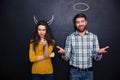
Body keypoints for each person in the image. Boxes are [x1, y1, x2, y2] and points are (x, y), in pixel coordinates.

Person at [56, 13, 109, 80]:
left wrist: (99, 53)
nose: (80, 24)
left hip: (89, 72)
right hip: (74, 72)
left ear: (86, 22)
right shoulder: (70, 37)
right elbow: (67, 58)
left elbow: (97, 58)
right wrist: (64, 53)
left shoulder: (93, 37)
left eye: (82, 21)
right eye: (78, 22)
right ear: (75, 24)